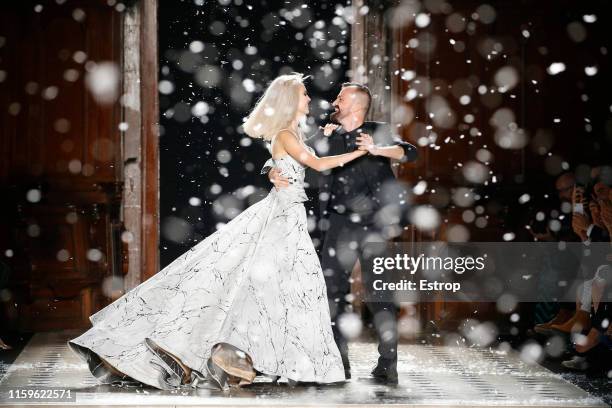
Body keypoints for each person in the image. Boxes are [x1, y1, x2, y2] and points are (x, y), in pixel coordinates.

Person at [68, 73, 370, 390]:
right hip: (282, 217)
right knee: (267, 284)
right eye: (304, 94)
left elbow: (287, 158)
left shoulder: (291, 133)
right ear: (292, 100)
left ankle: (256, 359)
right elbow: (316, 164)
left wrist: (274, 167)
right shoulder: (285, 133)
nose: (309, 98)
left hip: (287, 214)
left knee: (274, 288)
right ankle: (224, 355)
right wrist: (361, 152)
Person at [265, 82, 418, 384]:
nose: (335, 102)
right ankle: (338, 362)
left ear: (357, 105)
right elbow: (288, 154)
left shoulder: (378, 129)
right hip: (339, 224)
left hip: (376, 225)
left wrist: (376, 148)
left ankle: (388, 362)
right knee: (333, 293)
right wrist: (270, 170)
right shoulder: (326, 135)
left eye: (341, 98)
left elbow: (409, 153)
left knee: (381, 294)